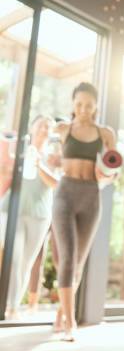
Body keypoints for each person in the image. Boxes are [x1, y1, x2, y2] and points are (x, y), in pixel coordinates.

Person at [52, 82, 117, 342]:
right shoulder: (64, 129)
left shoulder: (105, 134)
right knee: (67, 258)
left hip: (91, 195)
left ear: (96, 106)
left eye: (88, 105)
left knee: (77, 263)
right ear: (72, 104)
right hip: (65, 195)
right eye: (78, 104)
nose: (83, 109)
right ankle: (70, 324)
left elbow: (113, 168)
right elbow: (51, 152)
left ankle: (61, 311)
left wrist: (108, 174)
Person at [2, 116, 58, 320]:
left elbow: (56, 183)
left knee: (25, 262)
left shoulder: (54, 156)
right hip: (12, 209)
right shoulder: (19, 147)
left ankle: (13, 305)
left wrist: (39, 164)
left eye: (48, 126)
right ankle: (9, 305)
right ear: (32, 126)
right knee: (14, 258)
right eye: (41, 124)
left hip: (39, 215)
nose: (44, 128)